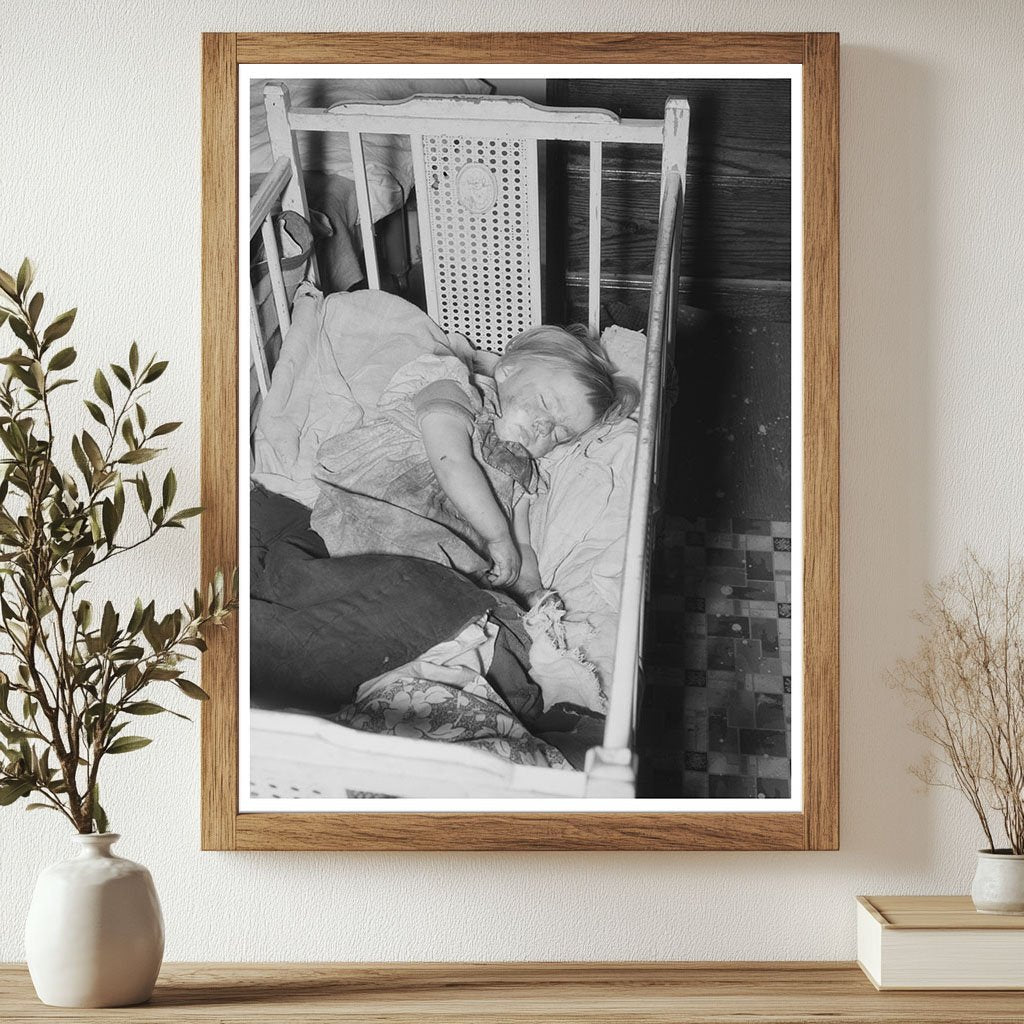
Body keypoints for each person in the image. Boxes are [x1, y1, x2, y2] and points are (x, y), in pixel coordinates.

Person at [415, 324, 639, 599]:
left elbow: (521, 542)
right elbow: (450, 461)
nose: (544, 427)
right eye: (545, 402)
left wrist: (531, 590)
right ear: (508, 370)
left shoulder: (523, 470)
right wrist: (497, 536)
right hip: (385, 510)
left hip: (436, 568)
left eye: (559, 433)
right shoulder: (459, 389)